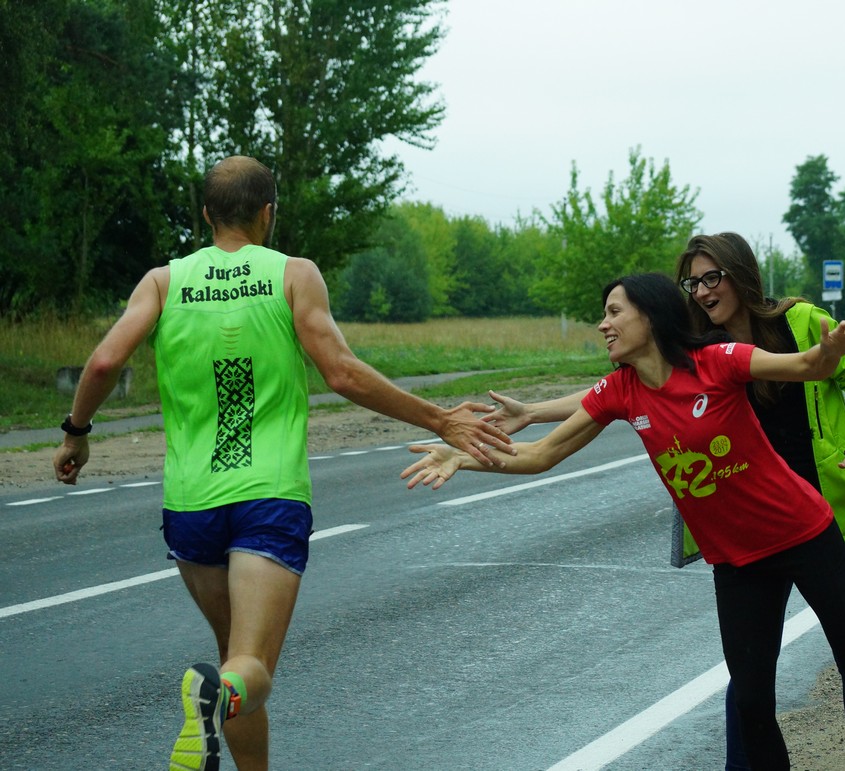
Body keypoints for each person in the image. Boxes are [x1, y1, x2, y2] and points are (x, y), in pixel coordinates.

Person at [402, 272, 845, 771]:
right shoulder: (620, 392)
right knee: (752, 702)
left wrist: (830, 354)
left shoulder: (717, 362)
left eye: (613, 313)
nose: (603, 325)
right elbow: (539, 455)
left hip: (803, 534)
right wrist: (463, 457)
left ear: (649, 317)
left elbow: (804, 364)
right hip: (737, 562)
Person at [51, 155, 514, 771]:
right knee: (251, 672)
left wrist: (76, 434)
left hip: (191, 503)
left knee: (234, 661)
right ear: (269, 213)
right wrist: (440, 419)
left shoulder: (163, 282)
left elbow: (105, 363)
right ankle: (217, 697)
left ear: (208, 215)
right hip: (267, 495)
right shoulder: (293, 275)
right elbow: (341, 372)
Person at [485, 232, 845, 770]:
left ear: (741, 275)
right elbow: (615, 392)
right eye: (692, 282)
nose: (701, 291)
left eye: (711, 277)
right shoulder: (697, 341)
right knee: (748, 683)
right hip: (747, 537)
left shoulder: (802, 322)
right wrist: (533, 412)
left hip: (831, 520)